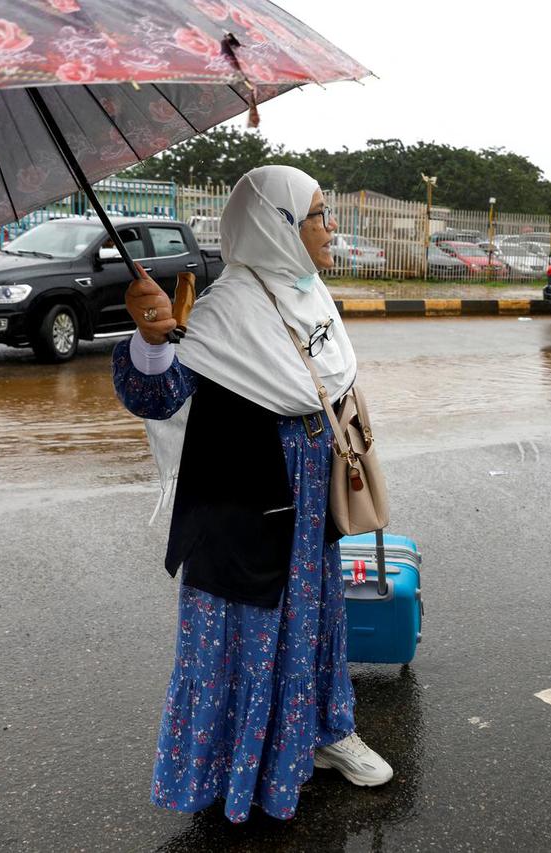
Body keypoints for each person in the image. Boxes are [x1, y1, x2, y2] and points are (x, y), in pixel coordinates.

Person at [111, 165, 393, 823]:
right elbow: (154, 395)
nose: (330, 228)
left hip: (308, 502)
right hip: (240, 509)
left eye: (324, 213)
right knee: (242, 634)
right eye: (318, 214)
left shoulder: (309, 292)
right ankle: (232, 771)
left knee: (313, 619)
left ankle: (326, 730)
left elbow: (330, 380)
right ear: (277, 224)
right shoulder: (222, 311)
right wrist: (151, 341)